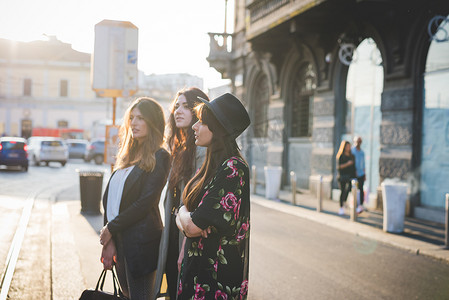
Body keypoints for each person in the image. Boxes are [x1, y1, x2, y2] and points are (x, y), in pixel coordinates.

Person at [176, 93, 251, 300]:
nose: (194, 126)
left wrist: (184, 213)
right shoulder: (213, 166)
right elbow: (189, 221)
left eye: (202, 122)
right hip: (197, 273)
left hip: (214, 281)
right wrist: (186, 213)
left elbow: (191, 227)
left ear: (217, 129)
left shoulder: (233, 167)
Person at [100, 97, 170, 300]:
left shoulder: (160, 156)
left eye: (140, 118)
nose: (134, 123)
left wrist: (110, 228)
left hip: (141, 245)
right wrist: (110, 240)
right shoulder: (126, 156)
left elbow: (145, 203)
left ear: (153, 122)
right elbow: (111, 200)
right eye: (131, 118)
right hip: (120, 243)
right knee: (126, 296)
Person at [153, 87, 210, 300]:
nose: (178, 110)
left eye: (186, 106)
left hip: (187, 236)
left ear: (200, 111)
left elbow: (198, 202)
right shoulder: (179, 149)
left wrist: (185, 245)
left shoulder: (202, 150)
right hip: (172, 233)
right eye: (177, 106)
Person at [336, 140, 356, 215]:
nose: (348, 148)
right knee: (342, 191)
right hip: (342, 176)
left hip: (350, 176)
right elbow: (339, 167)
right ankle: (341, 207)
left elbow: (354, 167)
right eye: (347, 146)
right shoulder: (340, 155)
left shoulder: (352, 156)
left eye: (349, 146)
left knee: (349, 189)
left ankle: (344, 201)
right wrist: (347, 164)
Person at [351, 136, 366, 213]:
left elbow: (363, 164)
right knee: (354, 189)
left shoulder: (362, 152)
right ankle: (354, 204)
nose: (358, 143)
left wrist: (364, 173)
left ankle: (360, 205)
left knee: (361, 189)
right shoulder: (352, 151)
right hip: (354, 174)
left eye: (359, 142)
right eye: (357, 141)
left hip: (361, 173)